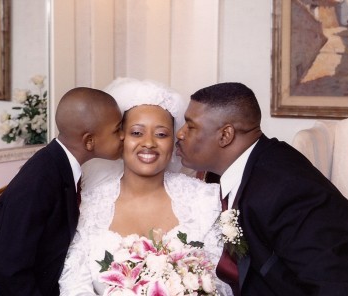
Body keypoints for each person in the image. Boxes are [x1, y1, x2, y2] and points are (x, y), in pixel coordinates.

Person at [175, 82, 348, 295]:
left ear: (225, 135)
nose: (179, 134)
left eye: (190, 126)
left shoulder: (288, 190)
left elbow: (336, 284)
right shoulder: (237, 169)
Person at [59, 77, 232, 295]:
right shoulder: (89, 206)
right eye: (137, 133)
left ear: (173, 141)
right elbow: (73, 285)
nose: (149, 143)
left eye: (161, 134)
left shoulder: (204, 200)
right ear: (121, 138)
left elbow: (220, 283)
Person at [0, 87, 124, 296]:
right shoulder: (41, 177)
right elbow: (11, 264)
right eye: (117, 130)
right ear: (89, 141)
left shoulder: (58, 166)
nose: (123, 136)